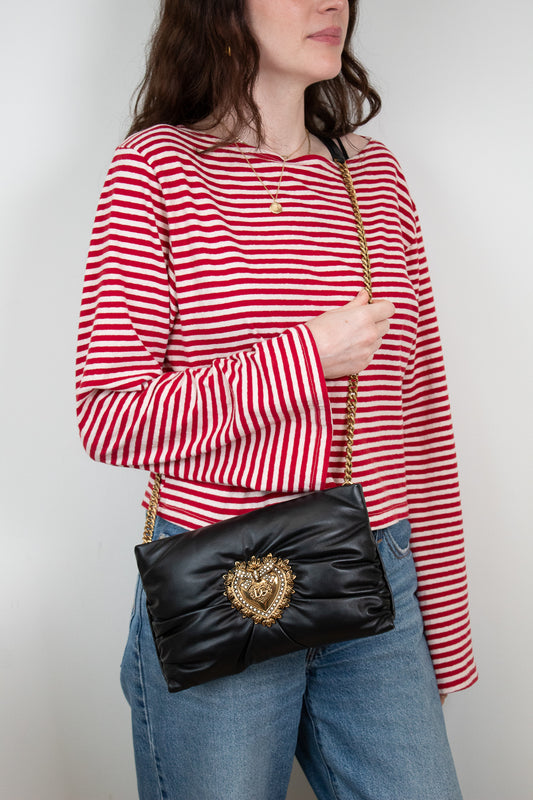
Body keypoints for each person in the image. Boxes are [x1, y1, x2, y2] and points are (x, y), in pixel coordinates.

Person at [75, 1, 477, 797]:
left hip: (378, 578)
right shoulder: (156, 169)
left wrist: (444, 631)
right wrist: (306, 356)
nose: (331, 3)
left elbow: (421, 415)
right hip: (220, 577)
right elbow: (110, 415)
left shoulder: (374, 178)